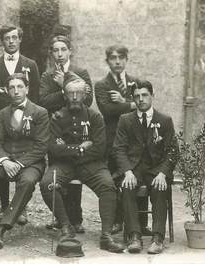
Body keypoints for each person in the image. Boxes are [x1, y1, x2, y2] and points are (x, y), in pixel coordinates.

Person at [40, 73, 125, 253]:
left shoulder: (95, 117)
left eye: (79, 93)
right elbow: (54, 149)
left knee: (108, 186)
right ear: (64, 95)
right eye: (71, 93)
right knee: (47, 184)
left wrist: (68, 148)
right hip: (64, 166)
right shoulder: (57, 117)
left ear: (85, 95)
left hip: (92, 165)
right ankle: (65, 226)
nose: (75, 97)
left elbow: (100, 148)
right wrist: (81, 148)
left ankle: (106, 236)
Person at [0, 73, 49, 249]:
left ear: (27, 89)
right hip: (6, 160)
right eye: (12, 88)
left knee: (28, 181)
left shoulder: (40, 112)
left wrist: (20, 164)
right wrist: (5, 161)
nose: (16, 91)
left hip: (31, 162)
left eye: (20, 87)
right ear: (7, 91)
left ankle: (2, 227)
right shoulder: (3, 113)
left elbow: (41, 146)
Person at [112, 80, 178, 254]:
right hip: (133, 169)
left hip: (156, 169)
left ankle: (157, 238)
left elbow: (173, 151)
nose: (140, 99)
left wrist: (163, 173)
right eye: (137, 96)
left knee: (159, 187)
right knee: (126, 186)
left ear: (152, 96)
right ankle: (134, 236)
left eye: (144, 95)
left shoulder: (164, 120)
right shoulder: (125, 120)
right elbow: (118, 148)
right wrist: (127, 172)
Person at [39, 35, 94, 234]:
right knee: (58, 173)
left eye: (63, 49)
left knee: (75, 170)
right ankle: (61, 218)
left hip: (78, 130)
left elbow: (87, 102)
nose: (60, 54)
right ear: (52, 53)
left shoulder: (80, 72)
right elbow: (44, 101)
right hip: (57, 131)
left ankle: (76, 218)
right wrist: (66, 90)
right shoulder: (47, 75)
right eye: (56, 50)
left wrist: (65, 83)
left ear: (70, 51)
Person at [0, 25, 41, 225]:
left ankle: (21, 207)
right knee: (5, 160)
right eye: (7, 38)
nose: (11, 41)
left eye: (14, 38)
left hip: (25, 120)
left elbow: (35, 95)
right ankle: (3, 205)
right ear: (2, 41)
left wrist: (31, 120)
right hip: (2, 120)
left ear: (20, 40)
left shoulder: (31, 65)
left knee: (22, 161)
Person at [94, 44, 148, 234]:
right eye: (113, 58)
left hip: (135, 139)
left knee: (137, 174)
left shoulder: (136, 82)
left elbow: (143, 106)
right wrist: (131, 105)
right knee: (116, 179)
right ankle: (117, 220)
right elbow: (107, 111)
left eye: (121, 58)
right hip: (113, 140)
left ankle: (142, 223)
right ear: (107, 61)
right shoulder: (101, 85)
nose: (117, 61)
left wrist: (125, 102)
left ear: (126, 59)